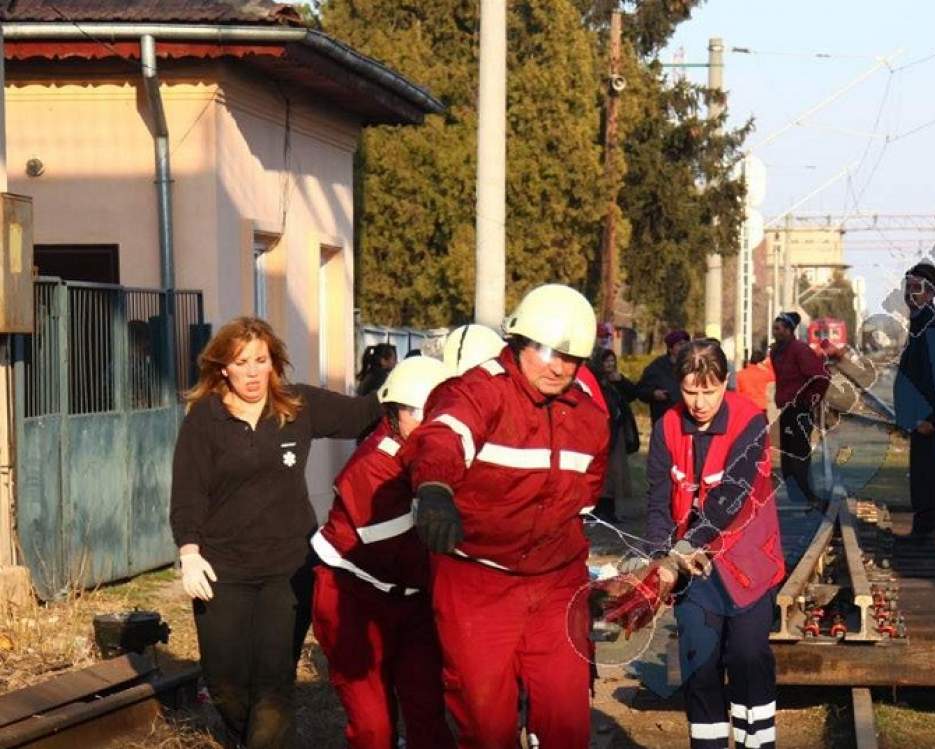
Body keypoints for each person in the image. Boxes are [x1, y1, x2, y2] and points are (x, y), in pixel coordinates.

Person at [407, 284, 609, 749]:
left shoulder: (590, 417)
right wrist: (435, 488)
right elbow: (444, 434)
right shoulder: (478, 391)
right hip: (478, 583)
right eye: (547, 351)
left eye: (572, 357)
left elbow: (588, 492)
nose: (559, 367)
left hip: (556, 584)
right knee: (485, 724)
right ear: (519, 341)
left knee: (566, 720)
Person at [170, 317, 384, 748]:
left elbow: (365, 414)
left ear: (274, 363)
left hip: (288, 569)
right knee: (225, 683)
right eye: (241, 362)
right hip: (222, 570)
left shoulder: (297, 406)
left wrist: (416, 384)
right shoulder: (204, 420)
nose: (252, 372)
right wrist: (189, 552)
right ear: (223, 368)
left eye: (260, 360)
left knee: (272, 683)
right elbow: (188, 493)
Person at [607, 339, 784, 749]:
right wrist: (657, 559)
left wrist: (679, 553)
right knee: (699, 665)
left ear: (726, 382)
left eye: (709, 390)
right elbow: (657, 501)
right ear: (678, 384)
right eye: (690, 390)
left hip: (747, 566)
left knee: (747, 657)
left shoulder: (750, 422)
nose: (700, 402)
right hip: (692, 572)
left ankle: (757, 742)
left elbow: (730, 500)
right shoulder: (668, 425)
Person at [309, 355, 455, 749]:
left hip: (410, 600)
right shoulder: (372, 468)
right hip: (353, 597)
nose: (425, 424)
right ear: (392, 412)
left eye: (434, 413)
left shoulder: (436, 455)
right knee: (373, 727)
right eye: (414, 412)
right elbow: (411, 550)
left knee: (427, 711)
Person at [894, 262, 935, 543]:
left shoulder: (934, 324)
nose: (911, 294)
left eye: (917, 289)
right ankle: (928, 526)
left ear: (930, 293)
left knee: (928, 471)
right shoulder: (920, 324)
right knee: (922, 470)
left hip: (928, 418)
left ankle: (932, 528)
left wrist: (932, 419)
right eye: (908, 288)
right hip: (919, 417)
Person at [770, 312, 831, 506]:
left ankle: (806, 494)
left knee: (799, 453)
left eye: (778, 329)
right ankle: (795, 495)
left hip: (800, 408)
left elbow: (820, 378)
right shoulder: (777, 352)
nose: (774, 332)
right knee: (787, 453)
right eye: (774, 328)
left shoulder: (799, 350)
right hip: (787, 408)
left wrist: (809, 401)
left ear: (789, 330)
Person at [594, 348, 640, 524]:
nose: (610, 365)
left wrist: (621, 381)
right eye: (607, 361)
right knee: (604, 473)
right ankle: (599, 510)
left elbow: (633, 394)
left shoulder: (616, 382)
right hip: (603, 432)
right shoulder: (596, 383)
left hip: (617, 433)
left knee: (615, 474)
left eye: (612, 361)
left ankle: (610, 510)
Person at [637, 329, 690, 422]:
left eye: (686, 344)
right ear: (670, 348)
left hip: (688, 419)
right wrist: (653, 394)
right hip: (664, 418)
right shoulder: (657, 367)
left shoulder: (693, 365)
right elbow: (640, 390)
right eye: (680, 344)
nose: (684, 347)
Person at [734, 348, 774, 415]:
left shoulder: (740, 374)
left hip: (746, 406)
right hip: (761, 406)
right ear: (762, 362)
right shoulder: (765, 374)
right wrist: (766, 367)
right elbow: (775, 376)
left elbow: (738, 392)